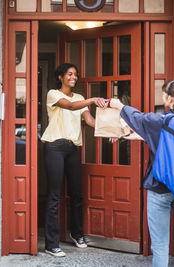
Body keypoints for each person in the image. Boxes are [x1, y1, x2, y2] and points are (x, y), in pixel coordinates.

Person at [109, 80, 174, 267]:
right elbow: (166, 140)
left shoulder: (161, 121)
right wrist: (136, 136)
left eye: (163, 93)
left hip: (160, 189)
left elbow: (138, 118)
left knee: (159, 245)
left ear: (169, 98)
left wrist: (120, 106)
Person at [41, 63, 106, 257]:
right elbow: (69, 106)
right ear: (60, 76)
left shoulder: (80, 98)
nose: (74, 77)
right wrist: (93, 99)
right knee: (54, 196)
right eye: (70, 74)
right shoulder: (53, 94)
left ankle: (76, 234)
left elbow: (91, 121)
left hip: (72, 149)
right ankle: (51, 244)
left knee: (77, 194)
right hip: (54, 147)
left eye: (76, 74)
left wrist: (114, 130)